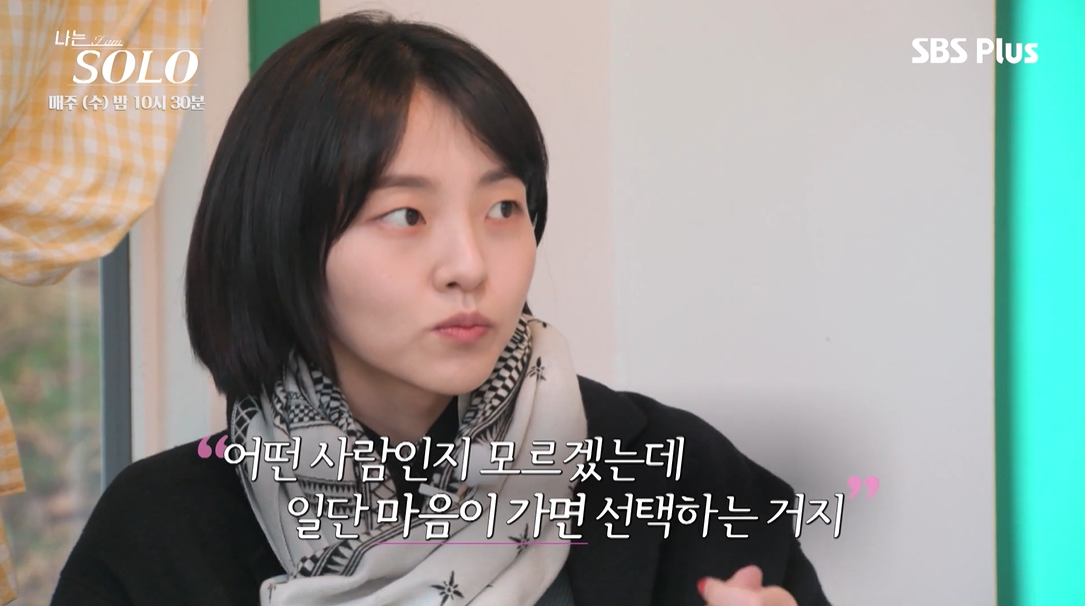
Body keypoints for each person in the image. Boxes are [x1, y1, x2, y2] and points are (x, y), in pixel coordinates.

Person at [51, 11, 831, 606]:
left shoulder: (676, 476)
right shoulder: (160, 531)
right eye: (405, 216)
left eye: (502, 209)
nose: (469, 265)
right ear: (281, 241)